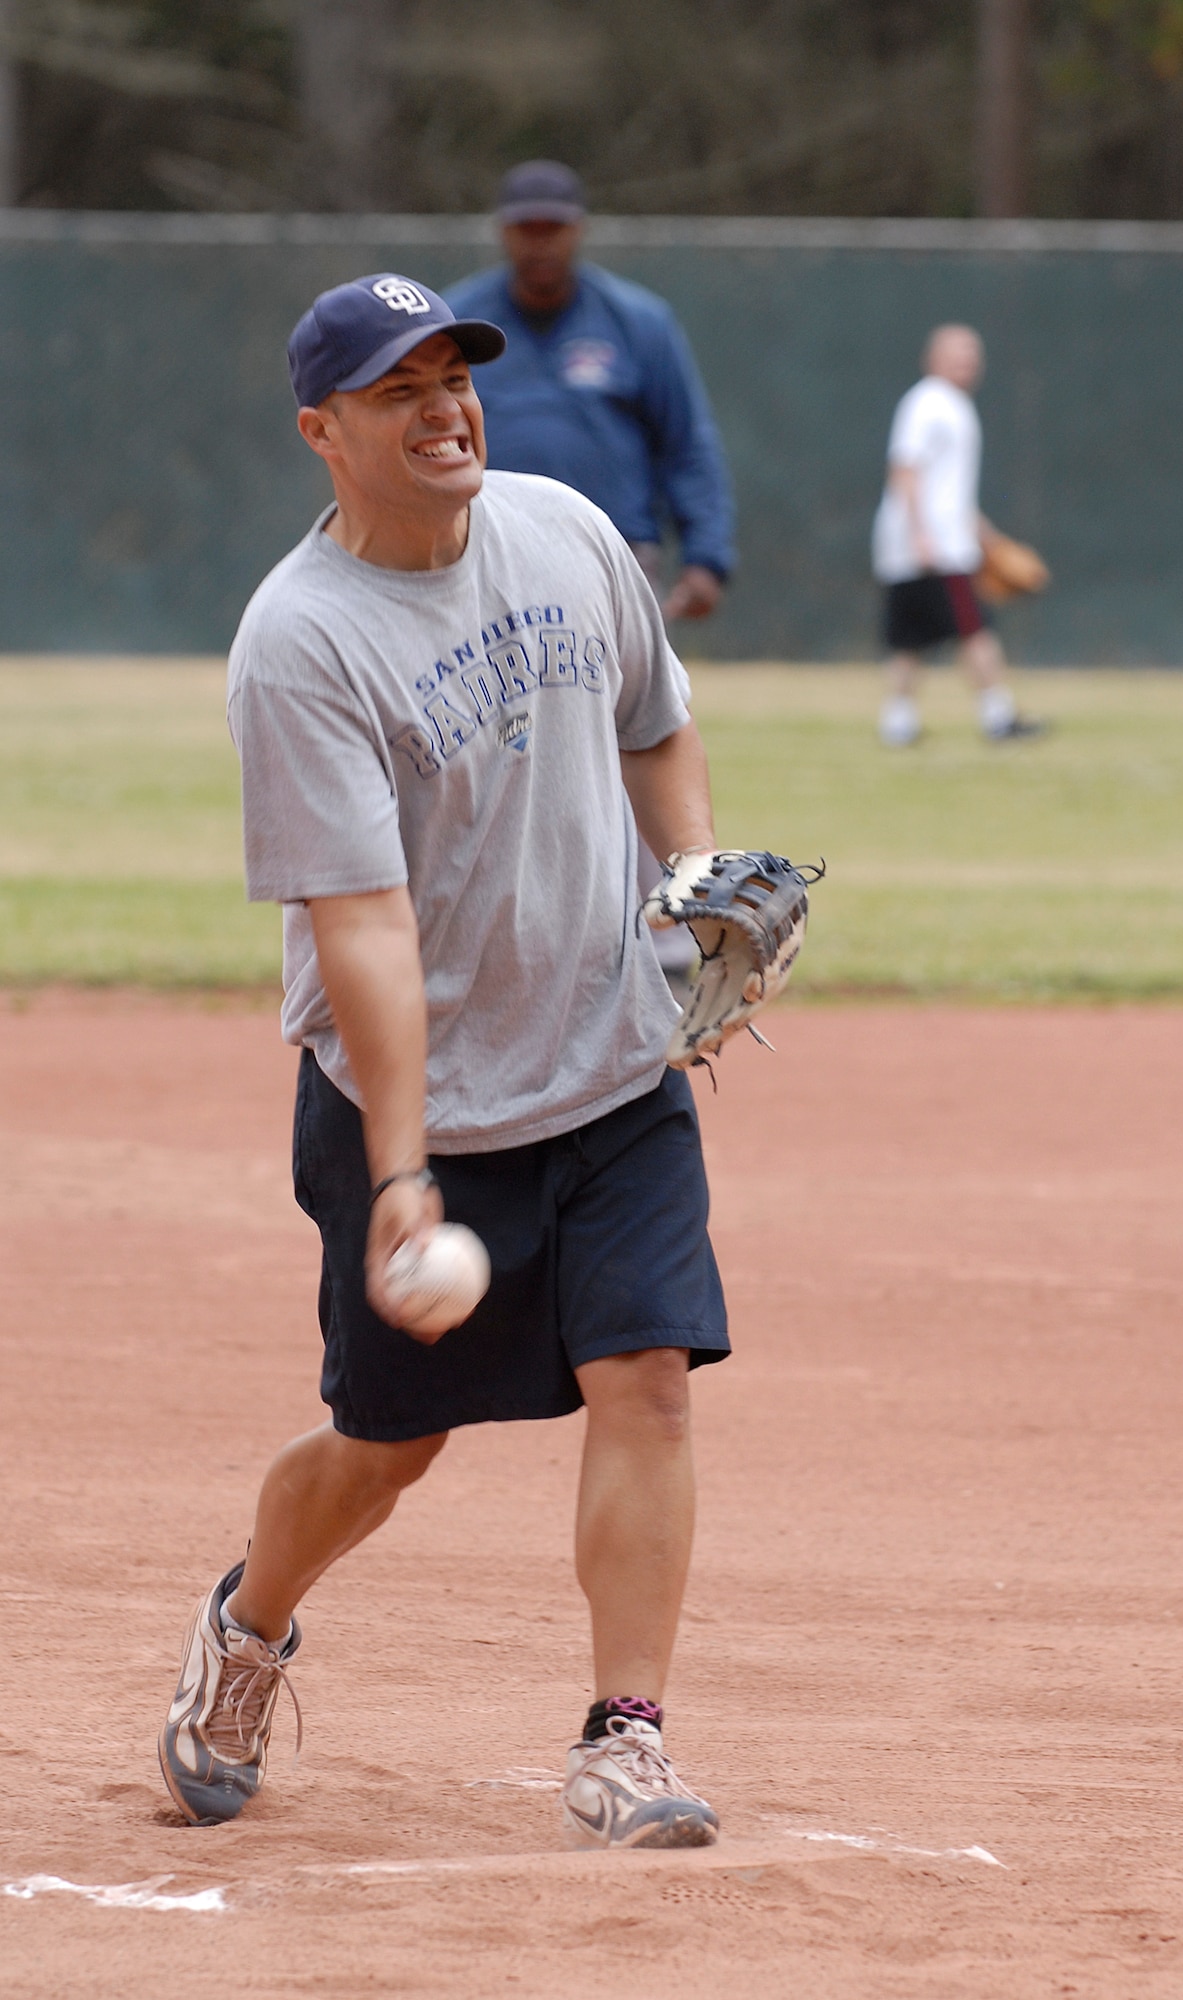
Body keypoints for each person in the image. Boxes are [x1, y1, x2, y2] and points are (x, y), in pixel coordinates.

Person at [158, 271, 732, 1851]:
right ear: (321, 431)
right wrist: (405, 1173)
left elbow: (655, 722)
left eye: (452, 376)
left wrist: (685, 890)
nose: (444, 408)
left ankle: (625, 1740)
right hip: (417, 1102)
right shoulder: (303, 641)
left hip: (613, 1068)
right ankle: (251, 1627)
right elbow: (365, 934)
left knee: (649, 1383)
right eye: (397, 390)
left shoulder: (563, 529)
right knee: (386, 1445)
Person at [447, 161, 735, 1001]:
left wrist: (708, 555)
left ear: (577, 228)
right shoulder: (460, 323)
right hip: (478, 558)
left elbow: (689, 444)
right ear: (503, 230)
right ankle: (503, 932)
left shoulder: (636, 322)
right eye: (525, 226)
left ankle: (667, 935)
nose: (540, 241)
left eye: (554, 226)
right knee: (479, 742)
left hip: (614, 565)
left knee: (635, 732)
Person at [871, 323, 1046, 747]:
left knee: (910, 640)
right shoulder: (927, 402)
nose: (967, 363)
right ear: (933, 358)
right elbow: (905, 470)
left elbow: (949, 489)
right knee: (975, 629)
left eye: (972, 355)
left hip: (929, 543)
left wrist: (986, 536)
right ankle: (998, 717)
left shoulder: (953, 405)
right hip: (934, 547)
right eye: (957, 354)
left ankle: (898, 723)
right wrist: (922, 536)